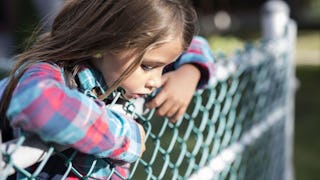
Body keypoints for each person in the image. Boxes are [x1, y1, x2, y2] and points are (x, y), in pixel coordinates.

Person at [0, 0, 215, 179]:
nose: (157, 82)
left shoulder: (126, 79)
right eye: (148, 66)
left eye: (165, 67)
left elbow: (193, 42)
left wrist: (190, 72)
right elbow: (39, 105)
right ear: (104, 44)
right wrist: (123, 136)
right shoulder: (52, 73)